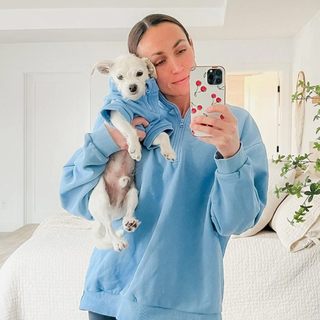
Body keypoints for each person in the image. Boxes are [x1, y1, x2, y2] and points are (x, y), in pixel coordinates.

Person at [59, 14, 268, 320]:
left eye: (181, 51)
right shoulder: (122, 118)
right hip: (111, 296)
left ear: (193, 47)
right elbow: (73, 196)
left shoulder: (237, 126)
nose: (177, 67)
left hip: (188, 303)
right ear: (144, 70)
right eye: (158, 61)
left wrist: (230, 153)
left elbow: (235, 222)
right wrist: (107, 141)